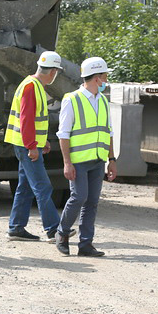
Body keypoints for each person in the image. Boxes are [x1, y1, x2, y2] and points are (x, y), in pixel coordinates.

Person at [4, 51, 73, 243]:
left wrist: (41, 142)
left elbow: (33, 120)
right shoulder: (31, 87)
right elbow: (26, 120)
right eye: (56, 72)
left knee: (25, 187)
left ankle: (16, 228)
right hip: (26, 146)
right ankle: (54, 230)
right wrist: (32, 146)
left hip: (25, 144)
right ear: (52, 71)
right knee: (43, 186)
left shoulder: (31, 85)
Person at [54, 56, 117, 257]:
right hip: (79, 161)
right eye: (105, 75)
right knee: (79, 197)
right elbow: (63, 134)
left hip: (97, 160)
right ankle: (62, 233)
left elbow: (109, 132)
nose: (107, 78)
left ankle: (85, 244)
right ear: (97, 77)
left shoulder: (104, 101)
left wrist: (112, 159)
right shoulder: (72, 100)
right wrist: (67, 163)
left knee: (92, 202)